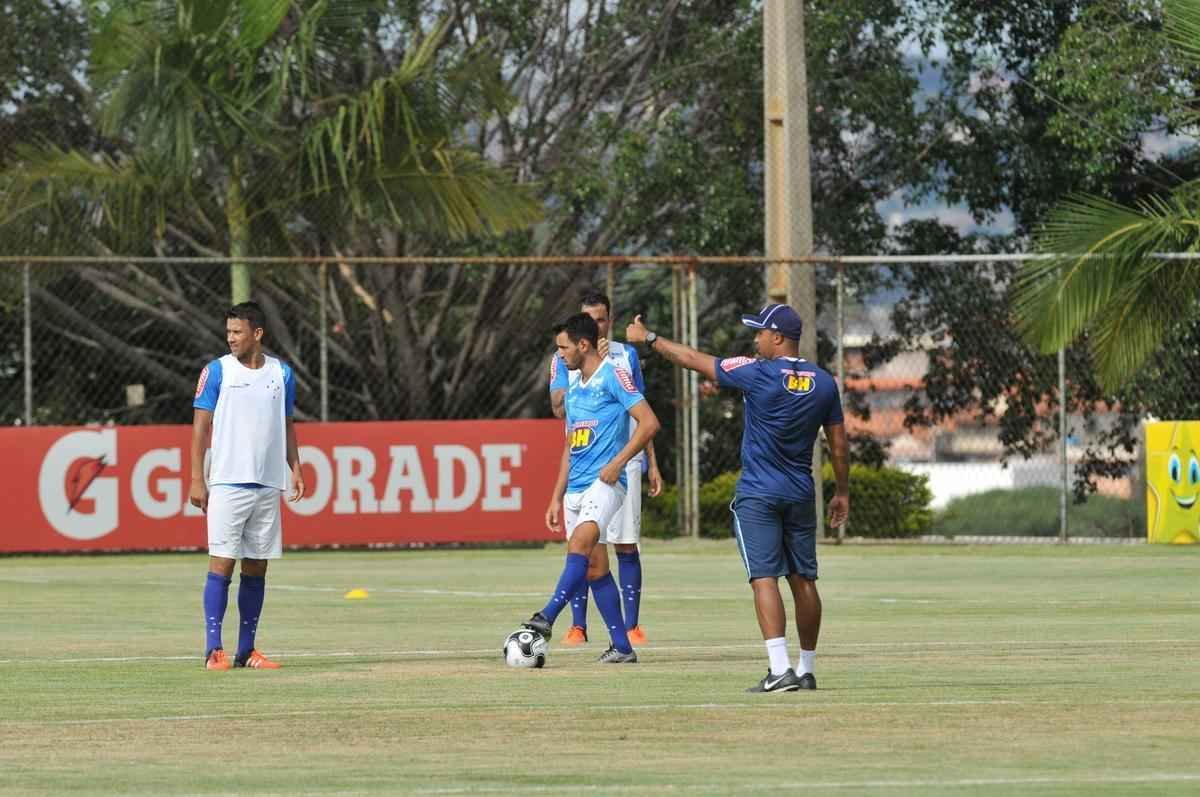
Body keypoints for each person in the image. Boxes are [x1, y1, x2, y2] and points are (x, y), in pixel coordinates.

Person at [626, 304, 849, 692]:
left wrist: (649, 340)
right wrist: (842, 491)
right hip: (801, 492)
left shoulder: (757, 372)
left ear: (777, 338)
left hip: (759, 494)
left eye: (761, 332)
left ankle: (779, 670)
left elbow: (694, 359)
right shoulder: (824, 382)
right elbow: (840, 443)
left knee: (764, 578)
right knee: (804, 580)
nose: (756, 338)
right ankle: (806, 667)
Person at [522, 313, 660, 663]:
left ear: (583, 345)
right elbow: (570, 445)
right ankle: (622, 647)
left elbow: (649, 423)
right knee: (595, 568)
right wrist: (556, 496)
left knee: (580, 543)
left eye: (563, 348)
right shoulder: (573, 387)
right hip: (576, 489)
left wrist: (617, 463)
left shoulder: (613, 376)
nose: (559, 355)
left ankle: (547, 617)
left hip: (605, 482)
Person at [189, 302, 305, 671]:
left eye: (237, 332)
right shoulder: (216, 371)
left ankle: (247, 649)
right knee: (221, 564)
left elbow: (286, 425)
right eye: (228, 333)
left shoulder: (281, 374)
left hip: (268, 484)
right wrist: (197, 477)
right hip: (227, 482)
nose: (231, 339)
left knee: (257, 568)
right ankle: (213, 650)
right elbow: (199, 428)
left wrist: (295, 468)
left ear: (257, 334)